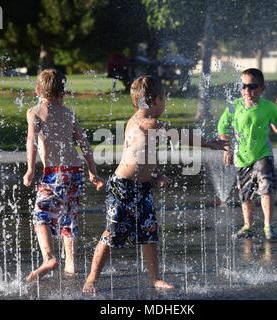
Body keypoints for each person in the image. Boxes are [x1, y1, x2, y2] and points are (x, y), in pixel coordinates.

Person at [82, 76, 228, 293]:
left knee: (149, 234)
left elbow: (141, 156)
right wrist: (210, 143)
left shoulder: (138, 121)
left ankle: (154, 278)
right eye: (164, 100)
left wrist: (156, 174)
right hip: (122, 187)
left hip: (141, 187)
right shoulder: (148, 123)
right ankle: (92, 278)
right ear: (157, 99)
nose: (164, 105)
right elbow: (178, 136)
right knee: (112, 233)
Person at [23, 69, 104, 281]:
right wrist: (92, 172)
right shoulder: (68, 113)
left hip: (54, 172)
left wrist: (30, 168)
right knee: (69, 215)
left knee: (40, 214)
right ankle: (71, 264)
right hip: (75, 172)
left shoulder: (35, 112)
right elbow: (84, 144)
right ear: (63, 92)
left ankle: (49, 257)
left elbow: (31, 141)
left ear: (38, 90)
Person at [218, 68, 277, 240]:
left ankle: (268, 225)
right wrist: (227, 150)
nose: (247, 90)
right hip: (241, 158)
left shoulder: (268, 107)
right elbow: (222, 128)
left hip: (263, 154)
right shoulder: (234, 106)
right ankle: (248, 226)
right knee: (245, 194)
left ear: (262, 88)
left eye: (252, 86)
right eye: (243, 86)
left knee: (266, 188)